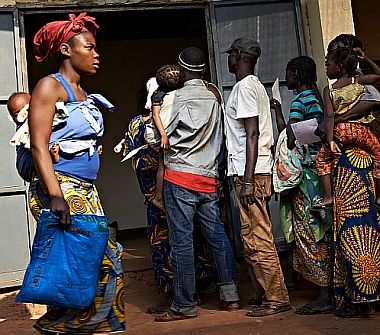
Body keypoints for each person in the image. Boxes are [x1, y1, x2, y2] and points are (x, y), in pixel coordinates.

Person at [27, 12, 125, 333]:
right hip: (62, 189)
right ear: (67, 51)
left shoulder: (82, 93)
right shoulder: (49, 87)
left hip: (85, 189)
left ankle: (62, 324)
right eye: (90, 48)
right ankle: (70, 325)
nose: (96, 55)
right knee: (101, 259)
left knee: (85, 262)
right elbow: (39, 145)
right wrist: (55, 195)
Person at [154, 47, 239, 322]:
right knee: (217, 235)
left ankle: (184, 305)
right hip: (208, 177)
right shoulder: (215, 97)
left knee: (182, 241)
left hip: (179, 177)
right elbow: (224, 136)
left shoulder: (175, 97)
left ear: (179, 70)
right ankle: (230, 295)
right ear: (203, 69)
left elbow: (157, 139)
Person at [120, 84, 215, 314]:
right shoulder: (178, 117)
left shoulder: (139, 124)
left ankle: (173, 295)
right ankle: (193, 292)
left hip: (161, 195)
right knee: (187, 239)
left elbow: (136, 160)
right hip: (181, 186)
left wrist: (153, 194)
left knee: (165, 243)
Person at [224, 37, 290, 317]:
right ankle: (265, 292)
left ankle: (276, 297)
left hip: (251, 172)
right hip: (251, 170)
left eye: (231, 55)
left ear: (238, 56)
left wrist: (248, 179)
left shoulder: (245, 88)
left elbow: (252, 134)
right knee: (250, 235)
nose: (228, 60)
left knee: (259, 235)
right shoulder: (254, 87)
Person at [271, 56, 333, 314]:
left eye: (288, 72)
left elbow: (290, 138)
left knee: (311, 232)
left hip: (308, 178)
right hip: (318, 175)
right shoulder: (315, 97)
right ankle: (325, 290)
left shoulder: (300, 100)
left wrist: (277, 110)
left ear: (296, 73)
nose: (286, 77)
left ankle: (324, 294)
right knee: (320, 230)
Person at [325, 34, 380, 317]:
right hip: (362, 163)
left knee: (348, 229)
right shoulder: (360, 83)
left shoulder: (336, 90)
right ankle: (367, 297)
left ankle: (359, 296)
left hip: (346, 162)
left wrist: (333, 136)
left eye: (331, 56)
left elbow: (330, 120)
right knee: (367, 226)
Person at [314, 46, 380, 210]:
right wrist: (367, 60)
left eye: (328, 64)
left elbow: (329, 117)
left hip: (340, 131)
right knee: (378, 155)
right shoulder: (358, 81)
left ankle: (328, 197)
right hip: (361, 131)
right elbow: (379, 75)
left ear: (340, 67)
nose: (326, 67)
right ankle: (379, 196)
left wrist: (330, 141)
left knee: (322, 159)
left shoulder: (328, 90)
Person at [149, 64, 183, 212]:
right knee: (163, 165)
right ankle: (158, 197)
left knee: (164, 164)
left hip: (162, 133)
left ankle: (159, 197)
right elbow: (156, 115)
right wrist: (163, 135)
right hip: (158, 135)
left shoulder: (173, 93)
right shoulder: (158, 94)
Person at [7, 92, 60, 182]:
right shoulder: (21, 128)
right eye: (17, 114)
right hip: (26, 166)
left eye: (26, 109)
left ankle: (52, 157)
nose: (23, 114)